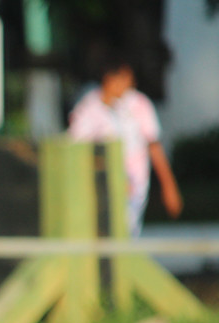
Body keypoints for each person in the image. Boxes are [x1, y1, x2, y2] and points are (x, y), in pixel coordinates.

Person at [68, 53, 183, 237]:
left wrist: (169, 186)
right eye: (124, 78)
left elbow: (153, 146)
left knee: (128, 232)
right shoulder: (88, 108)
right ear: (109, 79)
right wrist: (111, 178)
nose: (129, 84)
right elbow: (77, 151)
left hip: (135, 188)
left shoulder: (139, 104)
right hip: (100, 188)